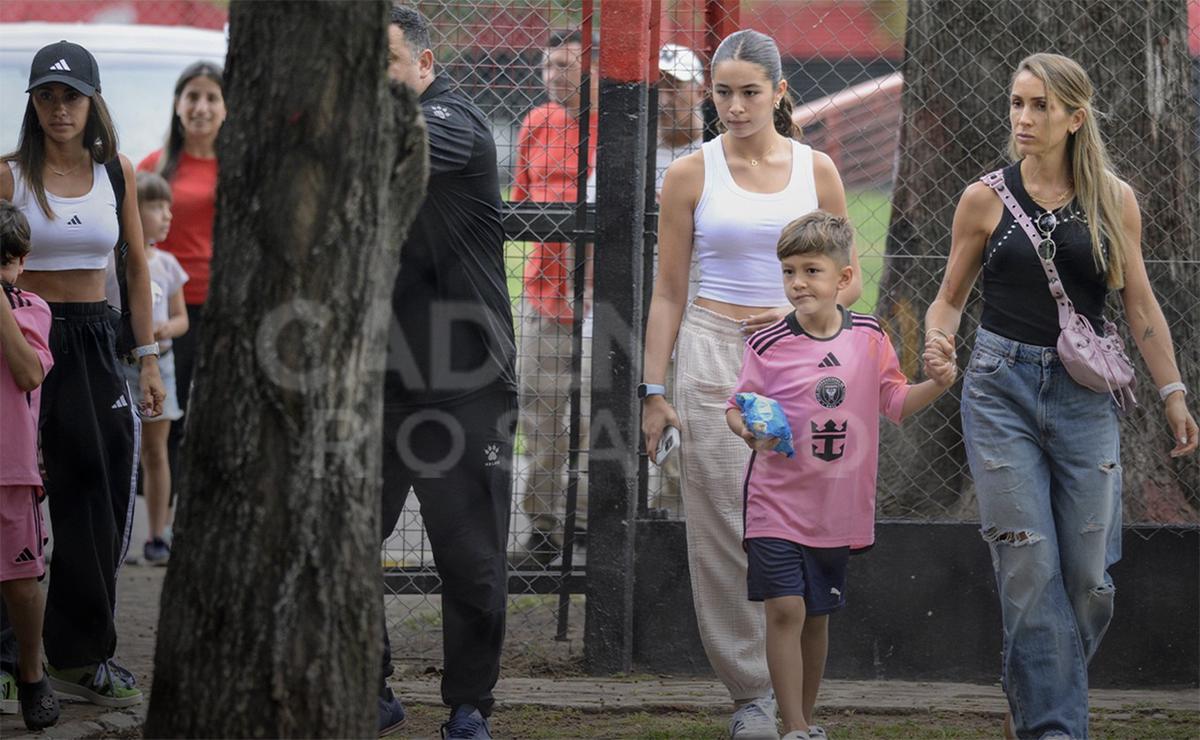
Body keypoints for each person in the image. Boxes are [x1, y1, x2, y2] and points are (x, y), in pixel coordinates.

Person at [923, 52, 1198, 739]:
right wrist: (938, 342)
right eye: (1017, 103)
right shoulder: (984, 198)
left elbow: (1140, 308)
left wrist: (1172, 392)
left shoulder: (1114, 198)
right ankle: (1055, 729)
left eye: (1040, 106)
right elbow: (947, 300)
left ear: (1075, 118)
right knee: (1029, 567)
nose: (1023, 118)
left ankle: (1036, 677)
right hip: (998, 390)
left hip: (1083, 398)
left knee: (1089, 583)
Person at [640, 29, 863, 738]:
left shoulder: (816, 170)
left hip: (797, 362)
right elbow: (669, 292)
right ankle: (752, 699)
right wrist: (653, 391)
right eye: (723, 92)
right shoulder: (689, 172)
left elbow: (847, 286)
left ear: (779, 92)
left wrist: (807, 318)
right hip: (711, 354)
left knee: (793, 527)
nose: (734, 107)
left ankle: (796, 701)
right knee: (724, 530)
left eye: (749, 93)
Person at [726, 211, 955, 740]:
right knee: (784, 608)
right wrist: (748, 431)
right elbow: (737, 406)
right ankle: (795, 728)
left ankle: (804, 720)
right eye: (788, 272)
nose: (798, 283)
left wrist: (939, 384)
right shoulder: (767, 343)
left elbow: (895, 401)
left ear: (844, 279)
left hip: (837, 511)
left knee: (816, 616)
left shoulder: (870, 338)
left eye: (811, 271)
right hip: (775, 504)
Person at [1, 39, 164, 707]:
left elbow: (135, 269)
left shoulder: (116, 172)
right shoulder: (9, 175)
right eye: (46, 95)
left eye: (70, 96)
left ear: (92, 102)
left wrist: (147, 357)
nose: (58, 107)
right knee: (12, 498)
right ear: (32, 102)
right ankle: (10, 658)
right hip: (22, 337)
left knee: (95, 490)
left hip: (97, 339)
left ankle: (79, 654)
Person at [377, 6, 518, 739]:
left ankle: (468, 706)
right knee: (339, 538)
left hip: (468, 380)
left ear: (426, 66)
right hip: (382, 379)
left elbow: (407, 143)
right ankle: (371, 685)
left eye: (390, 65)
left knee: (469, 555)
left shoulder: (453, 119)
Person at [510, 28, 599, 566]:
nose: (553, 77)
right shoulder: (537, 123)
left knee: (593, 418)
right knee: (540, 416)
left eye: (565, 66)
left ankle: (587, 524)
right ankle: (543, 527)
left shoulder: (610, 127)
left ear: (589, 71)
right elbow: (519, 203)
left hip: (596, 299)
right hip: (543, 295)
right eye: (547, 67)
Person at [137, 60, 224, 503]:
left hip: (224, 310)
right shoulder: (156, 166)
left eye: (212, 97)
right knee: (169, 414)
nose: (201, 107)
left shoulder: (237, 166)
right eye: (193, 96)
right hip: (170, 313)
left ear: (226, 107)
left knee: (214, 418)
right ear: (178, 104)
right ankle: (160, 523)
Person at [108, 172, 188, 565]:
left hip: (163, 367)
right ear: (132, 212)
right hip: (120, 368)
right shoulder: (112, 261)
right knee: (119, 451)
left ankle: (157, 536)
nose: (167, 215)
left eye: (168, 206)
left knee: (156, 453)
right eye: (157, 207)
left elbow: (181, 318)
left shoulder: (169, 264)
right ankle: (113, 534)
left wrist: (163, 329)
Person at [0, 202, 60, 730]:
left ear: (19, 263)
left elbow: (26, 373)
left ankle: (32, 670)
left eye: (4, 262)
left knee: (21, 584)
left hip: (11, 474)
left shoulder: (30, 308)